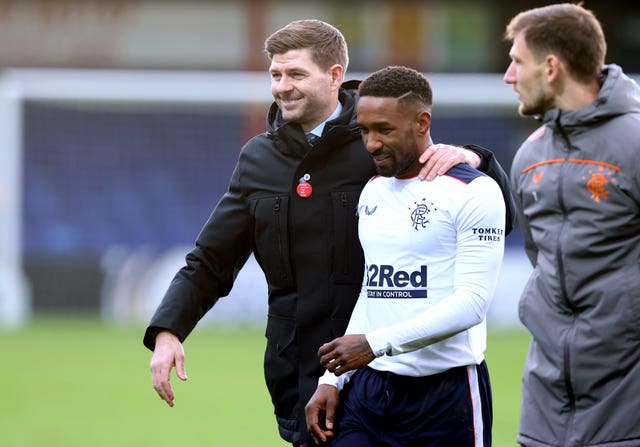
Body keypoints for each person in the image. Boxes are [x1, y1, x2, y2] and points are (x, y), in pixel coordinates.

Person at [144, 19, 515, 447]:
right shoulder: (257, 160)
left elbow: (475, 208)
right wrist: (168, 330)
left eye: (296, 74)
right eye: (276, 75)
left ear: (335, 75)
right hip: (303, 373)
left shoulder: (380, 142)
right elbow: (211, 259)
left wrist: (480, 161)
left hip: (385, 365)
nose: (282, 86)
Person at [305, 65, 505, 446]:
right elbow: (373, 289)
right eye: (364, 130)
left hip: (446, 396)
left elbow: (472, 304)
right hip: (369, 391)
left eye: (384, 129)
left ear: (421, 122)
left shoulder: (474, 192)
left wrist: (373, 344)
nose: (371, 144)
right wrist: (332, 378)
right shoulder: (374, 192)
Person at [503, 4, 640, 447]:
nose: (508, 76)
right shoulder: (529, 155)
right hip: (544, 407)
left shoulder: (635, 144)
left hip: (627, 408)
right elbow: (540, 262)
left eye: (517, 61)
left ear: (551, 67)